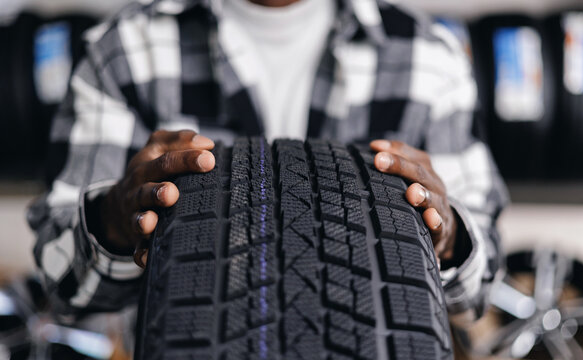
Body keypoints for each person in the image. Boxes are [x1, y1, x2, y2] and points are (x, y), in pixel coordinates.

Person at [28, 0, 507, 329]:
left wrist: (446, 242)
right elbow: (61, 281)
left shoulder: (431, 59)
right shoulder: (123, 50)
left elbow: (481, 287)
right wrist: (113, 219)